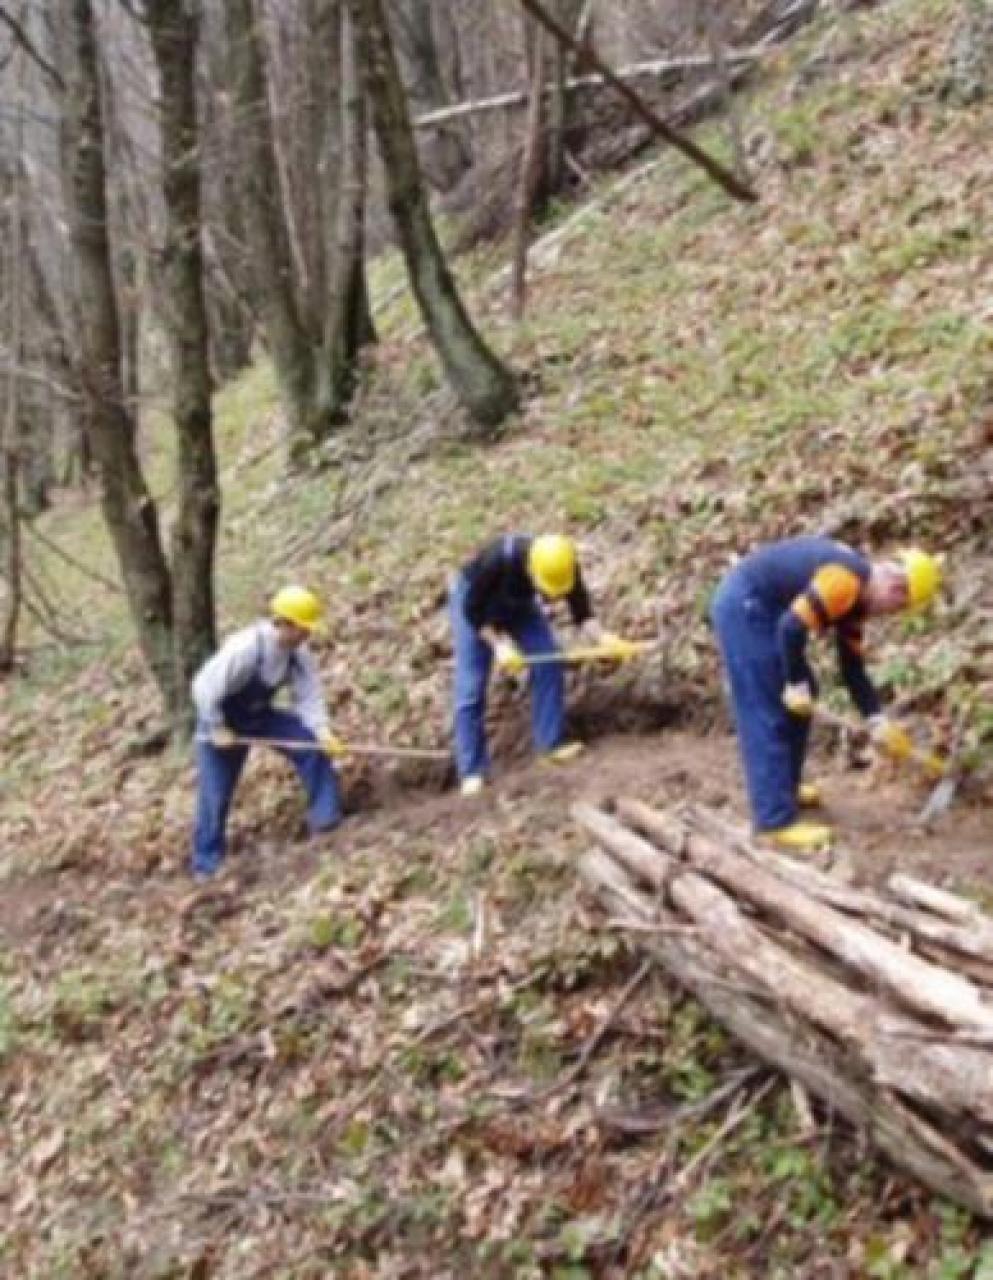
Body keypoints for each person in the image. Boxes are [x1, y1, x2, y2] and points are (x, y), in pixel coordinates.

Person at [710, 537, 941, 851]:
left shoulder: (856, 605)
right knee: (768, 706)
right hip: (746, 606)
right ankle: (773, 821)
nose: (890, 614)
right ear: (896, 589)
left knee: (804, 697)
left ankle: (784, 788)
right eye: (898, 608)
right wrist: (794, 685)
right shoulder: (844, 581)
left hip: (770, 612)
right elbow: (791, 629)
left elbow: (852, 669)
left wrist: (878, 721)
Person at [450, 533, 638, 796]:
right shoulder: (498, 561)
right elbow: (473, 612)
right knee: (471, 688)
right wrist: (500, 645)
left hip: (519, 604)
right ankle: (472, 771)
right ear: (531, 570)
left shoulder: (564, 566)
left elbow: (581, 612)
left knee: (549, 659)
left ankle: (550, 745)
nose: (551, 599)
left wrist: (605, 639)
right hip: (475, 605)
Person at [190, 585, 346, 878]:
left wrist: (323, 732)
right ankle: (206, 865)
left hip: (260, 716)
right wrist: (216, 727)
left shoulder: (299, 654)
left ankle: (327, 820)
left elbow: (309, 696)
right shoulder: (246, 648)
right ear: (284, 623)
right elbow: (203, 688)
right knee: (216, 794)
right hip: (222, 722)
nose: (307, 635)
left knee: (309, 747)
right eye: (303, 628)